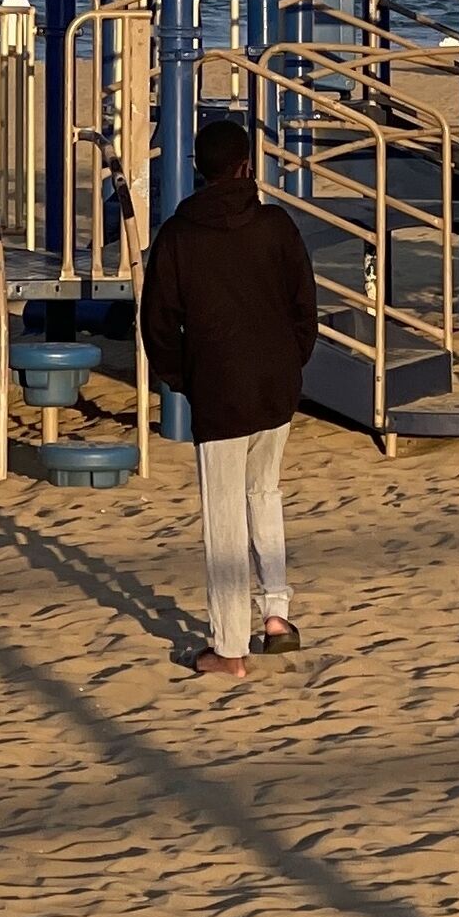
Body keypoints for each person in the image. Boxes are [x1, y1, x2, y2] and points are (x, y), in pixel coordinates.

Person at [140, 116, 322, 679]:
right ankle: (275, 614)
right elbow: (304, 306)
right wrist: (293, 359)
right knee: (263, 492)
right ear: (247, 166)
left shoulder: (178, 234)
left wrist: (182, 377)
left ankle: (228, 647)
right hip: (275, 382)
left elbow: (157, 323)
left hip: (220, 386)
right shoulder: (275, 224)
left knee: (224, 515)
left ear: (200, 169)